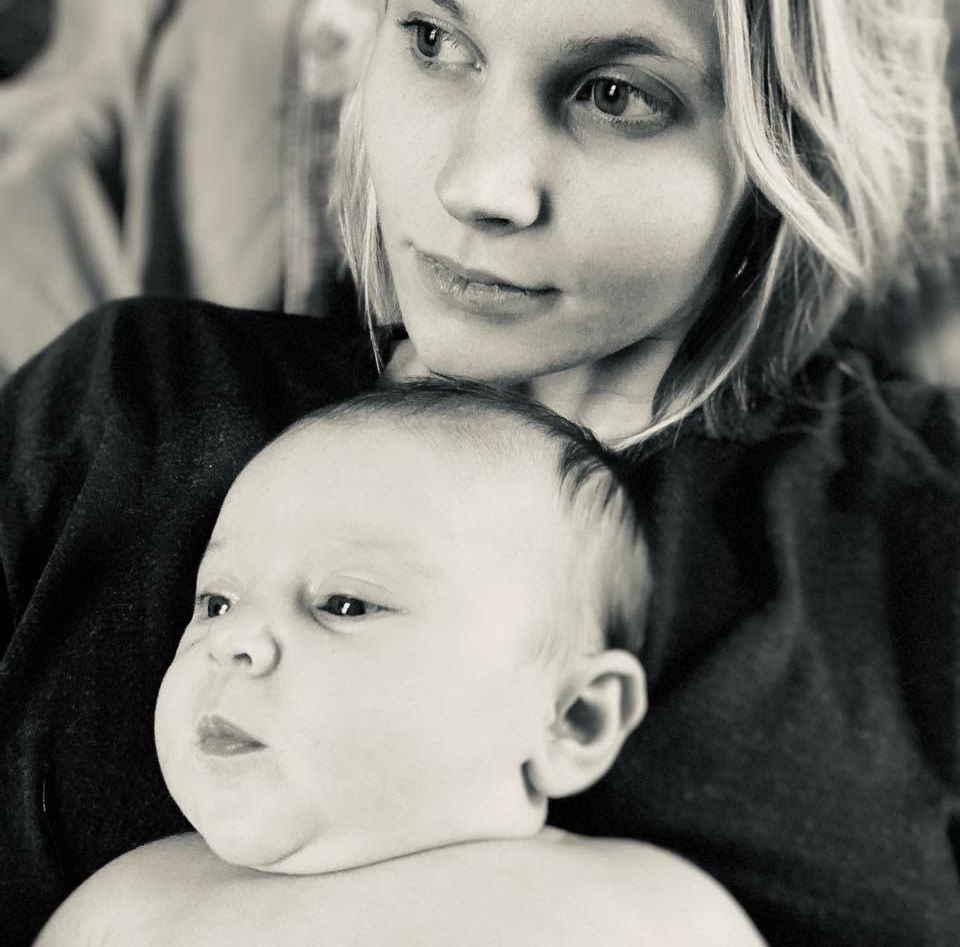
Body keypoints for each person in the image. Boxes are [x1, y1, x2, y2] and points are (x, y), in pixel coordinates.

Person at [0, 0, 957, 944]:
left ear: (790, 139)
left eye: (615, 95)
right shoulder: (124, 407)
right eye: (434, 40)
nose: (479, 187)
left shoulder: (921, 527)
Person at [33, 382, 764, 946]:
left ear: (573, 719)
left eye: (344, 604)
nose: (233, 641)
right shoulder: (129, 906)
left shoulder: (641, 916)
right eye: (216, 601)